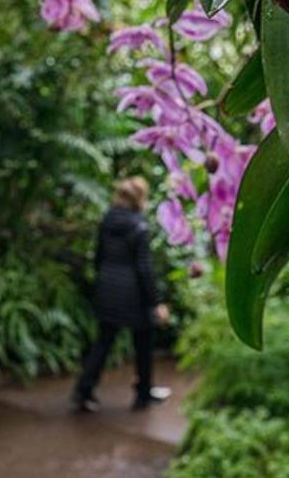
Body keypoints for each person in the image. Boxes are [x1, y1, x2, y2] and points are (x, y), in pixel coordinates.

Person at [73, 176, 171, 412]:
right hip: (133, 293)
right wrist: (156, 302)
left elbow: (98, 258)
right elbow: (144, 268)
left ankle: (83, 391)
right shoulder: (140, 226)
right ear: (140, 199)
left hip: (107, 288)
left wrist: (103, 281)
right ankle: (143, 393)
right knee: (144, 343)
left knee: (103, 342)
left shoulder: (107, 221)